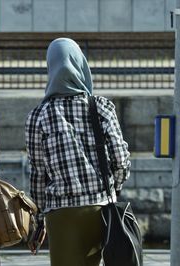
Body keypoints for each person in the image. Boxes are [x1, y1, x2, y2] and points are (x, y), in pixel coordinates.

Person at [25, 38, 131, 266]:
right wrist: (113, 189)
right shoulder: (101, 107)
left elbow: (37, 173)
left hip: (61, 213)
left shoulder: (38, 116)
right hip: (100, 207)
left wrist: (39, 219)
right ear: (81, 65)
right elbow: (121, 160)